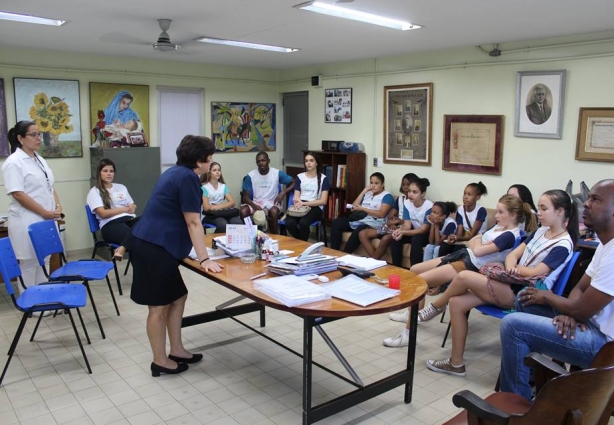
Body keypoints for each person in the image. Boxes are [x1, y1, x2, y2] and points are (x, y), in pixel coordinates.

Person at [420, 190, 577, 377]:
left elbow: (536, 273)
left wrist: (514, 270)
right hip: (509, 283)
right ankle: (456, 364)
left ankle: (436, 306)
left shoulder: (563, 244)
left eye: (544, 208)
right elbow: (513, 254)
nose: (539, 213)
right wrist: (511, 268)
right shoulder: (541, 231)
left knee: (464, 277)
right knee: (457, 302)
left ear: (560, 212)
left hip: (524, 295)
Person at [500, 180, 614, 400]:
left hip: (603, 345)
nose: (586, 204)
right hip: (588, 322)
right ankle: (533, 376)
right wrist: (568, 313)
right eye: (589, 198)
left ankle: (516, 403)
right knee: (525, 299)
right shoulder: (604, 245)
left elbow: (580, 309)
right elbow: (580, 287)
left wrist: (553, 300)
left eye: (596, 199)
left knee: (512, 325)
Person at [127, 135, 224, 377]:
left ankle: (177, 349)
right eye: (209, 157)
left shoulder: (174, 172)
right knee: (158, 307)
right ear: (200, 161)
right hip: (153, 247)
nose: (211, 161)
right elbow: (193, 223)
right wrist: (204, 259)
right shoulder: (188, 179)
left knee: (178, 296)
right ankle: (159, 360)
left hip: (155, 244)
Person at [387, 195, 529, 328]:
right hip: (464, 255)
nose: (496, 216)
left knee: (419, 281)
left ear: (513, 215)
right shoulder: (499, 227)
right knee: (415, 269)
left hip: (471, 265)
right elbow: (474, 239)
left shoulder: (509, 235)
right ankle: (412, 313)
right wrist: (478, 242)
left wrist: (477, 243)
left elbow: (478, 249)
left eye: (500, 212)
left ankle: (412, 327)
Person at [2, 121, 62, 293]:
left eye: (40, 134)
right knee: (29, 263)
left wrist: (58, 206)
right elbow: (18, 194)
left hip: (46, 218)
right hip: (27, 219)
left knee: (45, 259)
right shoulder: (14, 162)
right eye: (33, 135)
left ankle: (42, 299)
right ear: (20, 138)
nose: (38, 138)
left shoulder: (39, 159)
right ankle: (30, 303)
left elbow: (50, 186)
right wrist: (44, 212)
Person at [86, 158, 138, 260]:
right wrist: (124, 209)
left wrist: (133, 206)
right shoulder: (94, 192)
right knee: (139, 240)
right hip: (110, 224)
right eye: (105, 171)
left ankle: (122, 248)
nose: (109, 174)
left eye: (111, 171)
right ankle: (141, 274)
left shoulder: (121, 187)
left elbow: (132, 205)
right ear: (99, 173)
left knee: (148, 222)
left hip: (129, 220)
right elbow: (103, 213)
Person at [330, 172, 394, 253]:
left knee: (359, 230)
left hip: (375, 222)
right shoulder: (368, 194)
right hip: (361, 219)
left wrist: (363, 209)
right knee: (336, 223)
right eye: (371, 182)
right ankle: (333, 252)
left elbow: (381, 214)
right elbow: (353, 207)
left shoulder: (387, 196)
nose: (373, 185)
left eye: (376, 183)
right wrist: (364, 191)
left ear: (383, 184)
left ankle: (345, 254)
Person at [362, 173, 418, 259]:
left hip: (405, 229)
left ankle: (373, 260)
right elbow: (391, 216)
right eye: (403, 184)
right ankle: (375, 259)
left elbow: (413, 222)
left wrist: (399, 221)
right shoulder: (400, 199)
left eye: (408, 184)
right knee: (362, 233)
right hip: (393, 226)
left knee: (385, 239)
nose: (405, 187)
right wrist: (392, 223)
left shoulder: (415, 201)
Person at [240, 152, 294, 234]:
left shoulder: (276, 173)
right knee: (243, 211)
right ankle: (250, 233)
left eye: (263, 160)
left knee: (274, 211)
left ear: (268, 161)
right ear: (256, 163)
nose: (261, 163)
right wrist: (254, 206)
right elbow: (245, 197)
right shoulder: (250, 176)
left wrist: (283, 192)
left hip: (272, 202)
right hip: (256, 202)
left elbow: (294, 182)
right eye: (258, 161)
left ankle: (274, 236)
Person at [389, 177, 433, 267]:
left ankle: (415, 270)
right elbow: (407, 226)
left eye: (415, 192)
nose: (410, 194)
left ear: (423, 194)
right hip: (413, 230)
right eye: (409, 191)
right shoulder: (407, 203)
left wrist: (403, 231)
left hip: (426, 234)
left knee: (416, 240)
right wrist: (399, 231)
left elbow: (424, 230)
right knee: (395, 238)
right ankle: (396, 268)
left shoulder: (429, 206)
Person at [285, 152, 329, 241]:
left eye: (311, 161)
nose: (308, 163)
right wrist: (297, 202)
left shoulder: (324, 178)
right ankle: (302, 243)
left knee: (303, 223)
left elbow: (323, 201)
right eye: (306, 161)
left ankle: (302, 245)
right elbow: (296, 196)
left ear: (316, 163)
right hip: (301, 205)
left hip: (315, 207)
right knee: (289, 223)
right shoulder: (300, 177)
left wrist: (304, 203)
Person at [438, 182, 488, 257]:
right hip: (464, 238)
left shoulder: (481, 211)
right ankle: (440, 267)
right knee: (445, 246)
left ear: (478, 197)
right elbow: (460, 233)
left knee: (458, 249)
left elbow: (472, 235)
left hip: (476, 239)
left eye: (469, 194)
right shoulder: (460, 209)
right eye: (464, 194)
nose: (465, 197)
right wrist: (454, 238)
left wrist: (458, 238)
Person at [201, 162, 243, 233]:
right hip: (210, 215)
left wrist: (216, 207)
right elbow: (206, 207)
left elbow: (232, 202)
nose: (217, 172)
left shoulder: (223, 186)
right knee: (223, 225)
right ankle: (217, 242)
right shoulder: (204, 188)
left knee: (238, 222)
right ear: (209, 172)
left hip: (222, 213)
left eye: (219, 170)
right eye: (214, 170)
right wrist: (223, 206)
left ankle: (233, 243)